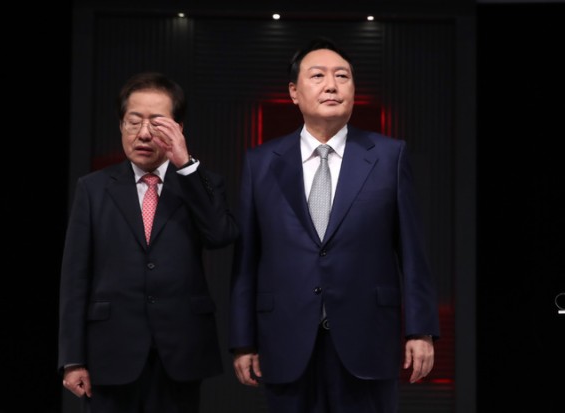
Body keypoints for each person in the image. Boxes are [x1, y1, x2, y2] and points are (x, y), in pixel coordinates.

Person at [229, 37, 440, 413]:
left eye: (342, 76)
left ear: (354, 90)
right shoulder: (261, 162)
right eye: (318, 76)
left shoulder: (389, 156)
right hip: (285, 337)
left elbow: (412, 252)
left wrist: (420, 330)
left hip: (368, 336)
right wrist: (243, 341)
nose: (331, 85)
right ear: (294, 92)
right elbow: (247, 260)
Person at [58, 71, 239, 413]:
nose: (143, 134)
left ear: (178, 128)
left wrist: (185, 165)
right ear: (121, 125)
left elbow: (220, 235)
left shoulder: (201, 183)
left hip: (181, 351)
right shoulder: (93, 189)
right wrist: (72, 358)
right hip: (109, 351)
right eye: (133, 122)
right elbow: (74, 278)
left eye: (157, 123)